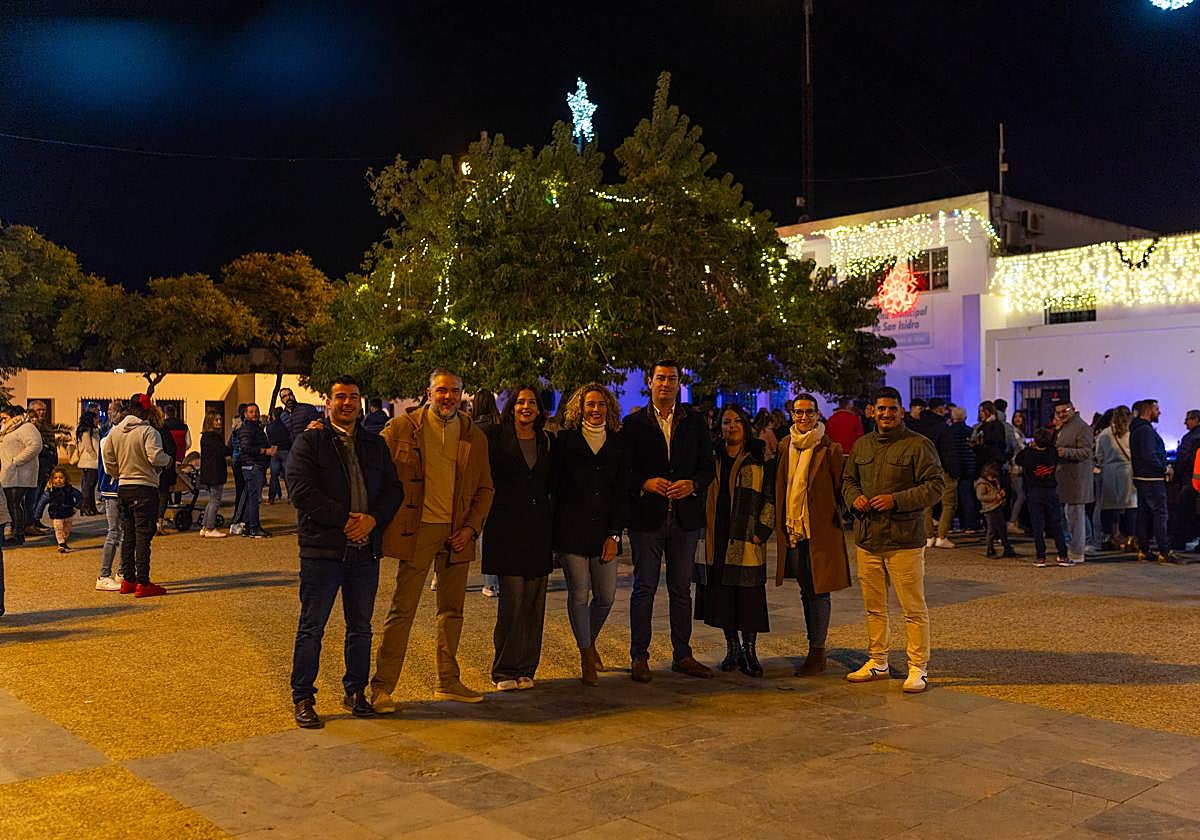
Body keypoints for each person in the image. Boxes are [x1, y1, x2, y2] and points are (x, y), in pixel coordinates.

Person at [370, 369, 495, 711]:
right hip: (418, 529)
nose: (448, 397)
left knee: (453, 611)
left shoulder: (473, 435)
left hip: (458, 532)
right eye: (442, 390)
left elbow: (485, 489)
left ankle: (448, 680)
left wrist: (471, 528)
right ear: (428, 392)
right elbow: (371, 456)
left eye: (454, 391)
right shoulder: (403, 428)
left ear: (462, 394)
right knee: (402, 609)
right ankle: (382, 687)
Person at [287, 376, 405, 729]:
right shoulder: (310, 442)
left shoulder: (373, 444)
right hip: (323, 550)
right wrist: (344, 520)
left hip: (364, 552)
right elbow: (301, 491)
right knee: (312, 627)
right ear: (328, 402)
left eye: (354, 397)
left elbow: (393, 490)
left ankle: (355, 690)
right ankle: (303, 696)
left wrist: (373, 520)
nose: (348, 403)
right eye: (341, 397)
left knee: (361, 628)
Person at [843, 387, 943, 694]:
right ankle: (878, 661)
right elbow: (848, 480)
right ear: (871, 411)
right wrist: (854, 498)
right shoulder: (861, 445)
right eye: (881, 409)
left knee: (913, 608)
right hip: (867, 539)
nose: (886, 414)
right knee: (874, 608)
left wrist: (896, 500)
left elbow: (935, 485)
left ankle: (918, 668)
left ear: (901, 411)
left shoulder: (918, 444)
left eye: (892, 409)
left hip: (903, 540)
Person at [622, 360, 717, 683]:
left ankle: (683, 654)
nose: (665, 384)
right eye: (660, 378)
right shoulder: (634, 423)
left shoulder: (694, 421)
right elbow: (624, 470)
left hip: (684, 518)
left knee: (681, 589)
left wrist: (693, 484)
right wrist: (644, 483)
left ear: (679, 383)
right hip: (647, 517)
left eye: (671, 379)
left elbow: (708, 467)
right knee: (644, 587)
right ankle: (639, 656)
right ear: (649, 382)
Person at [551, 383, 627, 686]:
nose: (595, 410)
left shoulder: (618, 444)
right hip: (571, 531)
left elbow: (621, 495)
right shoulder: (565, 440)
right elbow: (554, 488)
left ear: (608, 408)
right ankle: (585, 655)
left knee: (606, 597)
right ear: (579, 408)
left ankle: (589, 641)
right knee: (579, 593)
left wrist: (615, 535)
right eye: (590, 405)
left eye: (600, 405)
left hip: (605, 533)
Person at [774, 393, 850, 677]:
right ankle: (814, 646)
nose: (803, 418)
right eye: (798, 412)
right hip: (794, 530)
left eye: (809, 412)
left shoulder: (829, 448)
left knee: (819, 591)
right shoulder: (785, 445)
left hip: (819, 530)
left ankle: (817, 650)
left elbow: (840, 487)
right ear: (791, 415)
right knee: (807, 590)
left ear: (818, 415)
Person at [696, 405, 774, 677]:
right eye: (726, 422)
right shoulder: (712, 456)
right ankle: (732, 648)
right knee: (723, 597)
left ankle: (750, 650)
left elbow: (770, 494)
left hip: (745, 536)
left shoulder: (758, 455)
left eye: (736, 421)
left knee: (749, 596)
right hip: (716, 536)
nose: (731, 426)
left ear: (745, 425)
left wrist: (762, 529)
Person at [483, 386, 553, 691]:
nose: (526, 407)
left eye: (532, 402)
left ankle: (527, 667)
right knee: (512, 602)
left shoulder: (547, 440)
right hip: (507, 528)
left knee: (534, 604)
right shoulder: (494, 436)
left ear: (539, 409)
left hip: (539, 529)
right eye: (521, 402)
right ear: (511, 407)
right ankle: (504, 670)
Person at [101, 393, 172, 597]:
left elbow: (109, 459)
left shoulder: (115, 432)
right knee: (143, 536)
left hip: (123, 487)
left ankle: (128, 580)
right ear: (146, 410)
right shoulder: (149, 432)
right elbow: (155, 456)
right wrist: (167, 461)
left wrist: (118, 474)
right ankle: (143, 582)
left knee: (128, 535)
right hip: (144, 487)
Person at [1015, 428, 1071, 567]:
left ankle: (1041, 557)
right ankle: (1063, 555)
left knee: (1037, 525)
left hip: (1034, 491)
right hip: (1051, 490)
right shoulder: (1052, 452)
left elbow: (1018, 459)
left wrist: (1029, 448)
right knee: (1056, 523)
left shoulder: (1029, 454)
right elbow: (1057, 453)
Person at [1130, 399, 1175, 563]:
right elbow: (1149, 455)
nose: (1159, 412)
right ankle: (1165, 550)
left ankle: (1144, 549)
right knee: (1160, 513)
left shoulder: (1136, 429)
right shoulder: (1146, 431)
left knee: (1143, 514)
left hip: (1141, 478)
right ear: (1148, 411)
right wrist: (1164, 468)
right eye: (1157, 409)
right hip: (1152, 478)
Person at [1053, 400, 1095, 563]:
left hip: (1076, 479)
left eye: (1065, 410)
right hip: (1066, 478)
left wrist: (1066, 452)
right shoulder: (1064, 427)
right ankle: (1075, 548)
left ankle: (1078, 552)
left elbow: (1086, 451)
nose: (1062, 414)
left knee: (1076, 517)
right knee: (1070, 516)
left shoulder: (1082, 427)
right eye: (1059, 412)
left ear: (1073, 409)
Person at [471, 389, 502, 598]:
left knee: (485, 533)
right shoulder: (501, 428)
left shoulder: (473, 430)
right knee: (500, 532)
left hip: (481, 485)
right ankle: (498, 580)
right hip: (500, 484)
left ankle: (490, 582)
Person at [0, 405, 43, 545]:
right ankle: (16, 532)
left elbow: (36, 445)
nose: (2, 420)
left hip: (19, 473)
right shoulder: (9, 429)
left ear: (14, 416)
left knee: (14, 504)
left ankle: (19, 534)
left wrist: (16, 461)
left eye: (5, 417)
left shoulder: (26, 427)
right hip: (10, 472)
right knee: (13, 504)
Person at [1096, 406, 1137, 552]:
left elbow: (1099, 455)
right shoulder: (1132, 433)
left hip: (1109, 473)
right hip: (1128, 472)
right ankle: (1130, 538)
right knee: (1130, 507)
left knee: (1108, 507)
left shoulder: (1105, 434)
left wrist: (1105, 464)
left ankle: (1107, 537)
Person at [95, 400, 125, 590]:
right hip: (111, 488)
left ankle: (121, 572)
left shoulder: (115, 434)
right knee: (114, 532)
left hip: (117, 486)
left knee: (122, 533)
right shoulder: (109, 436)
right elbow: (108, 466)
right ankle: (103, 575)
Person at [236, 403, 276, 538]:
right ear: (246, 414)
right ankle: (254, 527)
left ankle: (248, 526)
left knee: (251, 497)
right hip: (252, 466)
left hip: (255, 465)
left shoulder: (255, 428)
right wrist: (265, 451)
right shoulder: (247, 429)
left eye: (256, 411)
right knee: (254, 499)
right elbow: (246, 448)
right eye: (251, 412)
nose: (255, 414)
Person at [25, 400, 56, 538]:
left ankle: (36, 520)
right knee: (33, 495)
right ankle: (29, 523)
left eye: (43, 410)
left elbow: (52, 444)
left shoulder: (46, 426)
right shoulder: (31, 427)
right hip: (37, 466)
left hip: (47, 466)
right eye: (39, 410)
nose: (42, 412)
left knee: (39, 494)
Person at [1170, 409, 1200, 552]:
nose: (1185, 422)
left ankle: (1180, 542)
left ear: (1196, 420)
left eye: (1188, 419)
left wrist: (1176, 478)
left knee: (1183, 513)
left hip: (1190, 482)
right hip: (1195, 482)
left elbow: (1183, 460)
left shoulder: (1190, 438)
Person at [34, 466, 83, 553]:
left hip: (68, 513)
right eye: (56, 478)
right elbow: (42, 502)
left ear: (65, 478)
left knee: (67, 530)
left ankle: (63, 541)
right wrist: (38, 514)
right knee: (58, 529)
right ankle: (61, 543)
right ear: (52, 479)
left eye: (61, 477)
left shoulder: (69, 489)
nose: (58, 480)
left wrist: (77, 507)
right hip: (56, 514)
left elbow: (79, 497)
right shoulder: (50, 491)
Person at [974, 462, 1016, 558]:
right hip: (989, 509)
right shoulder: (981, 484)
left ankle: (1007, 547)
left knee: (1002, 529)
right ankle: (990, 548)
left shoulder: (994, 481)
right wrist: (995, 496)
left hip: (997, 506)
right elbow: (980, 496)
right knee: (992, 530)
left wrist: (1001, 493)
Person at [199, 411, 230, 538]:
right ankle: (210, 527)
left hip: (209, 472)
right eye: (216, 420)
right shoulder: (213, 437)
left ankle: (205, 526)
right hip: (215, 472)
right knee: (215, 500)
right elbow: (223, 451)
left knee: (212, 499)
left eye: (220, 419)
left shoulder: (205, 437)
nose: (219, 422)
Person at [948, 406, 978, 532]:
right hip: (969, 468)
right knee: (968, 498)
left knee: (952, 500)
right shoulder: (970, 431)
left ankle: (954, 524)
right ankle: (970, 524)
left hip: (954, 469)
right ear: (965, 417)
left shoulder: (948, 432)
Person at [149, 403, 178, 534]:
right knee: (163, 495)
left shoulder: (145, 429)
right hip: (163, 467)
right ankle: (158, 522)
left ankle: (152, 522)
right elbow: (171, 448)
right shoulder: (162, 428)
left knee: (152, 496)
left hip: (148, 469)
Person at [1007, 409, 1028, 534]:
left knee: (1016, 496)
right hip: (1015, 467)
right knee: (1020, 496)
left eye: (1020, 417)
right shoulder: (1015, 433)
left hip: (1017, 467)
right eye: (1016, 416)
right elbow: (1020, 448)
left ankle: (1015, 521)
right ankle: (1012, 521)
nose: (1017, 419)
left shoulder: (1019, 432)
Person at [75, 411, 100, 516]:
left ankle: (92, 507)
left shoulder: (94, 431)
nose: (97, 420)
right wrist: (96, 458)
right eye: (95, 418)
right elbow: (89, 447)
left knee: (91, 486)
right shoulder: (85, 432)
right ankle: (85, 506)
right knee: (88, 486)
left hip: (93, 463)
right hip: (89, 463)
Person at [265, 406, 292, 505]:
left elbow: (268, 439)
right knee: (287, 476)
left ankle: (271, 498)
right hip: (285, 451)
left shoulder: (270, 427)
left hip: (274, 452)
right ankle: (290, 497)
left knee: (274, 476)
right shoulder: (286, 426)